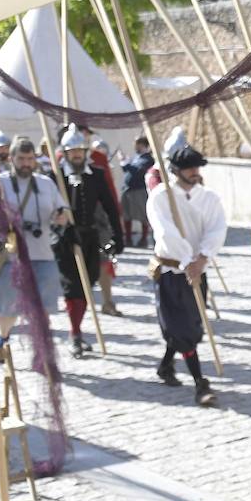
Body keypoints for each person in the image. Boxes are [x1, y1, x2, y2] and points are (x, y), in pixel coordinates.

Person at [148, 144, 225, 407]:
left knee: (191, 325)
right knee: (181, 327)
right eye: (188, 167)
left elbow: (216, 229)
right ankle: (200, 383)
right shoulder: (160, 197)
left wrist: (202, 257)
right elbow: (165, 232)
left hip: (197, 270)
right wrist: (186, 259)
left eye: (196, 167)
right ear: (176, 170)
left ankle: (166, 366)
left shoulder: (209, 198)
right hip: (171, 270)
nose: (194, 172)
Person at [0, 139, 68, 349]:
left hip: (43, 253)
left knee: (43, 307)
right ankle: (3, 336)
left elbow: (61, 211)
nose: (26, 163)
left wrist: (61, 217)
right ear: (11, 159)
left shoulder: (46, 183)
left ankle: (41, 349)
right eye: (21, 159)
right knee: (8, 308)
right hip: (11, 257)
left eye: (30, 159)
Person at [54, 124, 122, 356]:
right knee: (72, 287)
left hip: (89, 237)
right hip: (65, 239)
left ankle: (77, 330)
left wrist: (118, 235)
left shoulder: (97, 176)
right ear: (65, 152)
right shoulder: (56, 176)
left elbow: (110, 206)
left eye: (80, 152)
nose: (76, 155)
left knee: (87, 284)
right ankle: (75, 333)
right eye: (72, 152)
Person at [87, 136, 124, 317]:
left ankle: (107, 301)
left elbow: (108, 187)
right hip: (74, 221)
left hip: (99, 218)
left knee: (105, 261)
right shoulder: (60, 159)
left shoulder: (98, 158)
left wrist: (115, 214)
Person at [120, 136, 154, 248]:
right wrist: (124, 162)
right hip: (128, 189)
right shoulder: (136, 157)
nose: (134, 146)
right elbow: (128, 170)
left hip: (139, 190)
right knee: (126, 215)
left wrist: (127, 164)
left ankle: (143, 239)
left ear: (142, 144)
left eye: (136, 144)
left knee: (142, 216)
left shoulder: (148, 159)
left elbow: (139, 171)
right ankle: (128, 239)